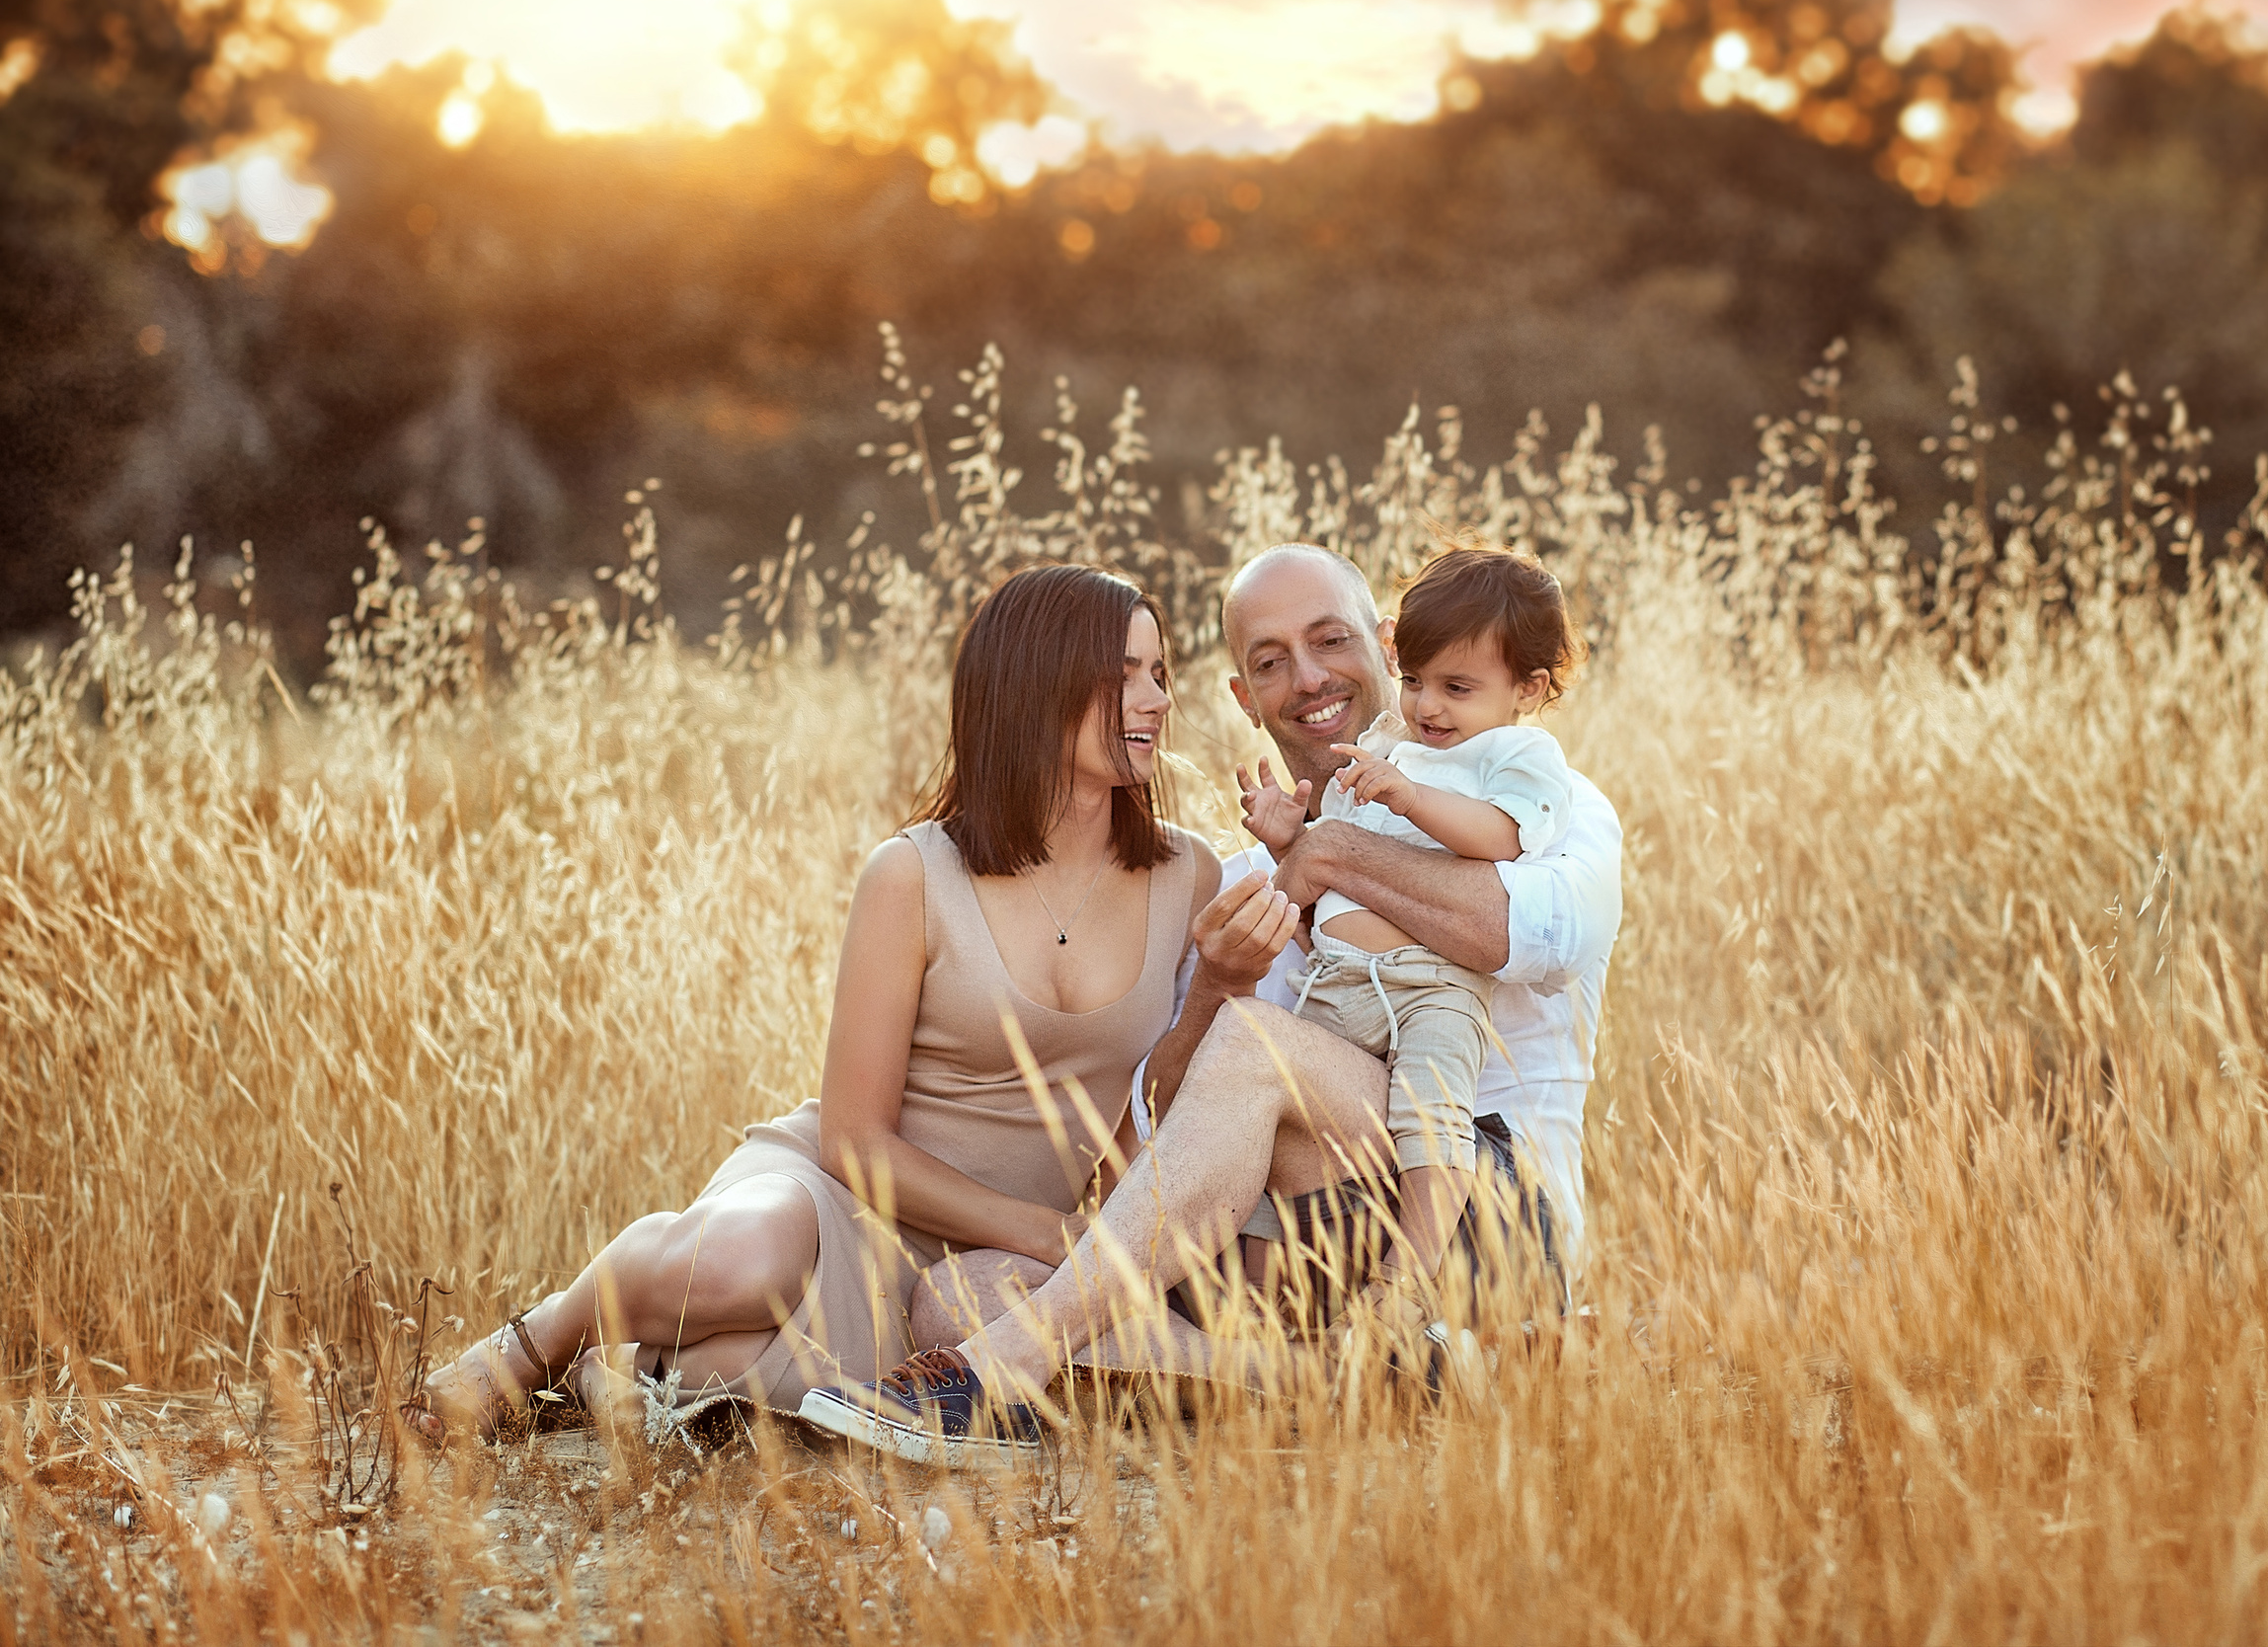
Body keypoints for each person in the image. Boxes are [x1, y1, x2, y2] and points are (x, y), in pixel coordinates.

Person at [800, 541, 1623, 1464]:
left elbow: (1539, 935)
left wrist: (1331, 856)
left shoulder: (1539, 798)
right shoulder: (1235, 881)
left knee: (1258, 1046)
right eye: (1270, 661)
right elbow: (1161, 1131)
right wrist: (1220, 983)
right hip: (1296, 1260)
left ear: (1381, 648)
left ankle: (998, 1371)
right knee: (960, 1296)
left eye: (1330, 640)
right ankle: (1344, 1379)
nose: (1307, 677)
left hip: (1482, 1222)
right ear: (1244, 695)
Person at [404, 563, 1258, 1442]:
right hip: (841, 1198)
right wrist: (1047, 1229)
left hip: (995, 1263)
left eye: (1160, 673)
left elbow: (1160, 1099)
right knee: (745, 1262)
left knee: (729, 1379)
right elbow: (853, 1137)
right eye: (1122, 674)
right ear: (1037, 683)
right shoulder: (913, 873)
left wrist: (1082, 1224)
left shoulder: (1186, 873)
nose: (1154, 698)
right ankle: (537, 1337)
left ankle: (613, 1370)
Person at [1238, 547, 1582, 1316]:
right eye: (1418, 681)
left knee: (1431, 1116)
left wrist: (1408, 796)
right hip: (1341, 979)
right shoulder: (1399, 744)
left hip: (1432, 990)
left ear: (1526, 689)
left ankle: (1407, 1279)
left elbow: (1501, 838)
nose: (1430, 706)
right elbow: (1325, 890)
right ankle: (1256, 1302)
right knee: (1272, 1113)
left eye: (1457, 688)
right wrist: (1286, 844)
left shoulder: (1517, 755)